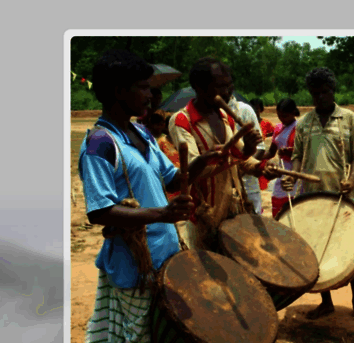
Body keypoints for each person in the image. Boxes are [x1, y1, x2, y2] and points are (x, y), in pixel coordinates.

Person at [81, 49, 227, 343]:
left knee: (165, 335)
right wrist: (163, 214)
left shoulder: (141, 133)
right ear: (119, 91)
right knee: (140, 337)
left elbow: (173, 178)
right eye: (144, 87)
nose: (151, 94)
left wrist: (205, 158)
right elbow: (100, 211)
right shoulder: (99, 143)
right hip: (135, 265)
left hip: (164, 257)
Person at [281, 67, 354, 322]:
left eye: (325, 92)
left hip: (342, 196)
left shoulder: (349, 119)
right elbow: (297, 157)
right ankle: (326, 302)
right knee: (317, 249)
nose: (320, 97)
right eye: (315, 93)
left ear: (333, 91)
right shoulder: (305, 123)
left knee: (352, 246)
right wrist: (292, 177)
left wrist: (351, 179)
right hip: (312, 196)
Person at [168, 56, 279, 252]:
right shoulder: (181, 121)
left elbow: (241, 161)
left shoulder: (224, 116)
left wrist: (261, 166)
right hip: (205, 217)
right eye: (220, 87)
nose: (227, 92)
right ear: (199, 87)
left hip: (233, 211)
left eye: (229, 86)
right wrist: (234, 155)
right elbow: (195, 169)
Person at [227, 87, 267, 215]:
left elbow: (260, 148)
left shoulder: (244, 110)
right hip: (222, 190)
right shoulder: (212, 114)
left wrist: (243, 169)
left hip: (247, 185)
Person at [258, 98, 301, 217]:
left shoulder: (299, 129)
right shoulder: (278, 129)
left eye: (285, 116)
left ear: (293, 113)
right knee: (278, 203)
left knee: (294, 206)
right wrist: (255, 158)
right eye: (279, 116)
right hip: (282, 171)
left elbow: (304, 154)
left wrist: (289, 152)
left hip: (296, 172)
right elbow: (271, 152)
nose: (282, 119)